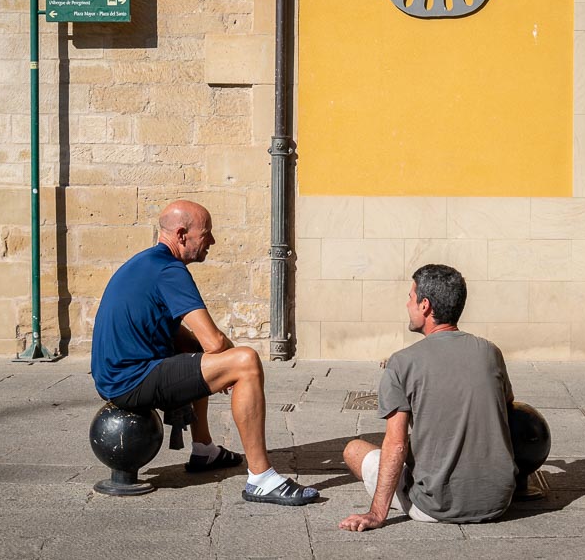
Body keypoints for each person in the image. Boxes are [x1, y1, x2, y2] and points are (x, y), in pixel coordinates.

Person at [90, 200, 318, 506]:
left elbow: (192, 342)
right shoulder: (170, 270)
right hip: (130, 381)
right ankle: (262, 479)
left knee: (199, 353)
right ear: (182, 235)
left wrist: (216, 362)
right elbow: (214, 341)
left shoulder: (145, 263)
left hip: (116, 377)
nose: (211, 241)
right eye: (206, 233)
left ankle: (204, 450)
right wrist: (232, 366)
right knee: (246, 362)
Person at [339, 264, 517, 531]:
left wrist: (376, 513)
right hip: (499, 501)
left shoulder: (402, 363)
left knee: (354, 450)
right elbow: (508, 406)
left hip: (434, 507)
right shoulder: (490, 352)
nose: (407, 304)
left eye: (410, 297)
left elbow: (396, 445)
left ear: (425, 306)